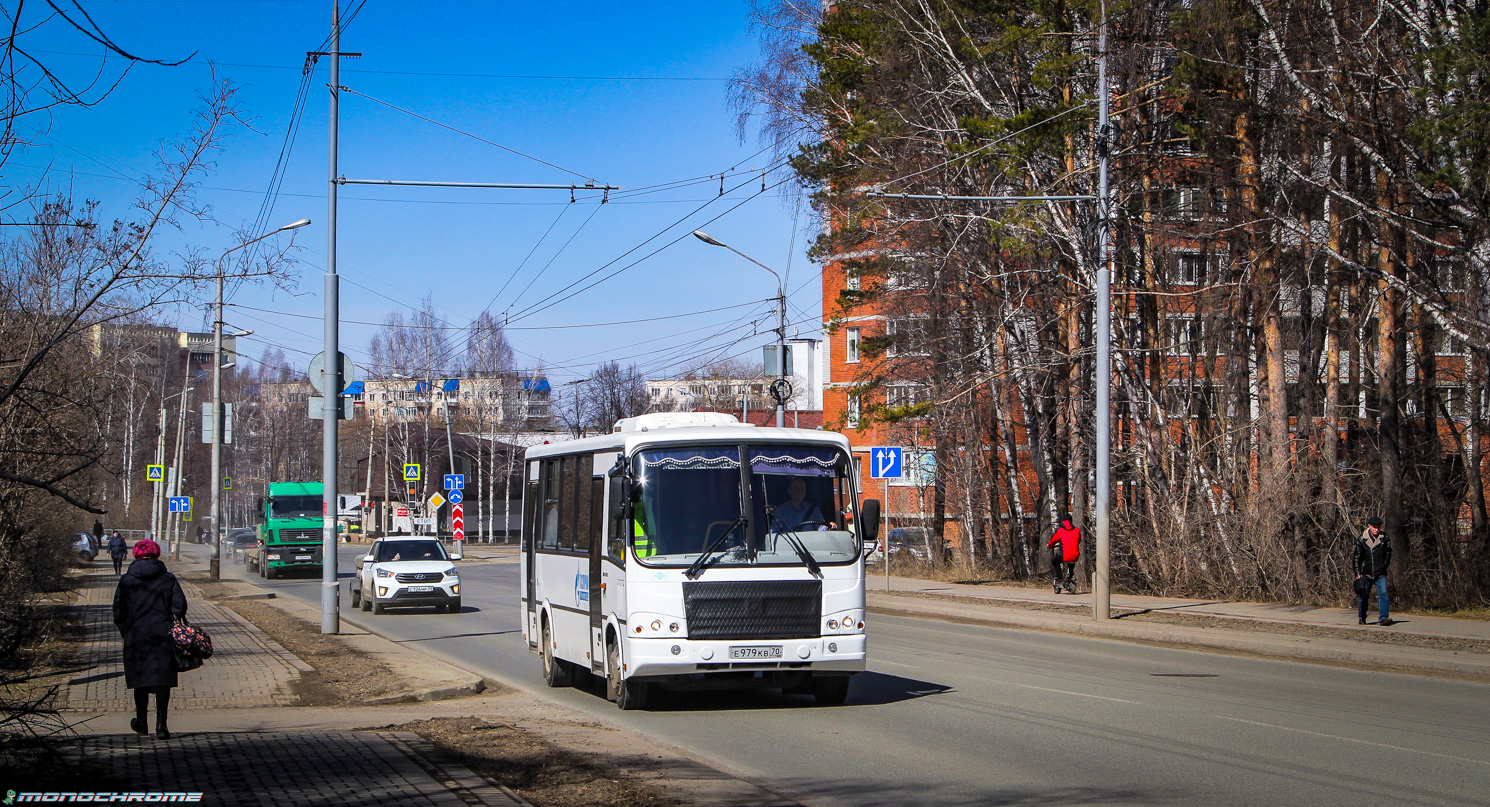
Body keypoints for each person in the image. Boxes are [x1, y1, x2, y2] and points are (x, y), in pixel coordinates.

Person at [113, 538, 187, 740]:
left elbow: (118, 611)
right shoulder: (168, 578)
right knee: (162, 681)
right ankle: (162, 726)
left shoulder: (127, 580)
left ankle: (141, 723)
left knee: (140, 681)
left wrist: (126, 630)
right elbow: (180, 607)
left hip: (136, 636)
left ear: (136, 554)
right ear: (156, 554)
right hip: (162, 635)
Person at [1354, 516, 1393, 626]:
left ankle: (1384, 618)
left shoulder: (1384, 538)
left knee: (1383, 593)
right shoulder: (1361, 539)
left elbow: (1388, 553)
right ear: (1369, 526)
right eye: (1374, 527)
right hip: (1366, 573)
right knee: (1363, 596)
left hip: (1380, 572)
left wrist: (1384, 565)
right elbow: (1357, 557)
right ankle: (1362, 617)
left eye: (1378, 527)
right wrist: (1358, 573)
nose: (1376, 530)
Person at [1047, 513, 1081, 594]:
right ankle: (1070, 575)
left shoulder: (1060, 531)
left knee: (1055, 561)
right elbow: (1079, 540)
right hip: (1075, 554)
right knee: (1071, 560)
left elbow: (1053, 541)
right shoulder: (1077, 530)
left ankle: (1060, 578)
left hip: (1064, 554)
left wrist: (1049, 545)